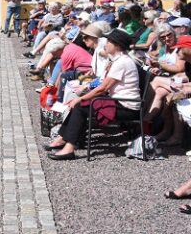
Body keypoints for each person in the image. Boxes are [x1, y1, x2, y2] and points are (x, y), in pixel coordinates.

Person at [46, 29, 141, 160]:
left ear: (117, 45)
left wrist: (80, 98)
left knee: (80, 106)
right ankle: (64, 138)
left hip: (127, 106)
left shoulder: (122, 62)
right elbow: (104, 85)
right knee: (81, 105)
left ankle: (69, 148)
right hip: (119, 101)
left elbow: (103, 88)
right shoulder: (119, 60)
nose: (106, 45)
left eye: (108, 42)